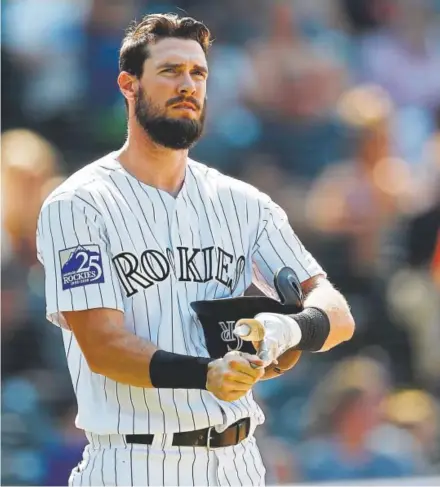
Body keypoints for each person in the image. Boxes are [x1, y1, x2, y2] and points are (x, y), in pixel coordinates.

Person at [36, 13, 355, 486]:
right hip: (134, 463)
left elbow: (337, 313)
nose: (188, 84)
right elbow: (103, 346)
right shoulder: (78, 204)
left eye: (198, 73)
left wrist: (288, 329)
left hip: (239, 462)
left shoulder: (244, 203)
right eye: (170, 71)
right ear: (129, 84)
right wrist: (207, 374)